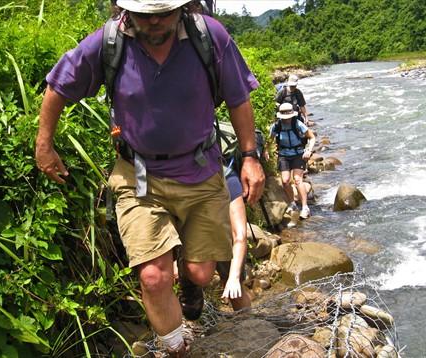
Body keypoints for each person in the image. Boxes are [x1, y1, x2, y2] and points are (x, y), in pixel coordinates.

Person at [34, 1, 265, 356]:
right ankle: (176, 348)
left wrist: (249, 157)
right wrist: (44, 144)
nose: (155, 20)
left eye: (164, 11)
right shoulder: (107, 43)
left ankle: (190, 282)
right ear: (125, 10)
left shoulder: (209, 36)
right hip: (138, 175)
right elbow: (59, 84)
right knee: (153, 277)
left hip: (201, 171)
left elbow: (238, 97)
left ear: (183, 7)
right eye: (145, 13)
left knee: (202, 273)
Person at [265, 103, 315, 219]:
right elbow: (270, 139)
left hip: (298, 155)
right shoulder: (276, 126)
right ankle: (292, 203)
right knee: (286, 181)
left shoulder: (297, 124)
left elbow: (311, 137)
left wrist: (308, 150)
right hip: (283, 155)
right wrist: (266, 150)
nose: (286, 119)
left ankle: (305, 207)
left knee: (298, 180)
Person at [216, 167, 251, 311]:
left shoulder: (227, 178)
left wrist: (234, 277)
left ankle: (247, 326)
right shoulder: (180, 174)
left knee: (234, 290)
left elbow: (240, 235)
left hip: (223, 236)